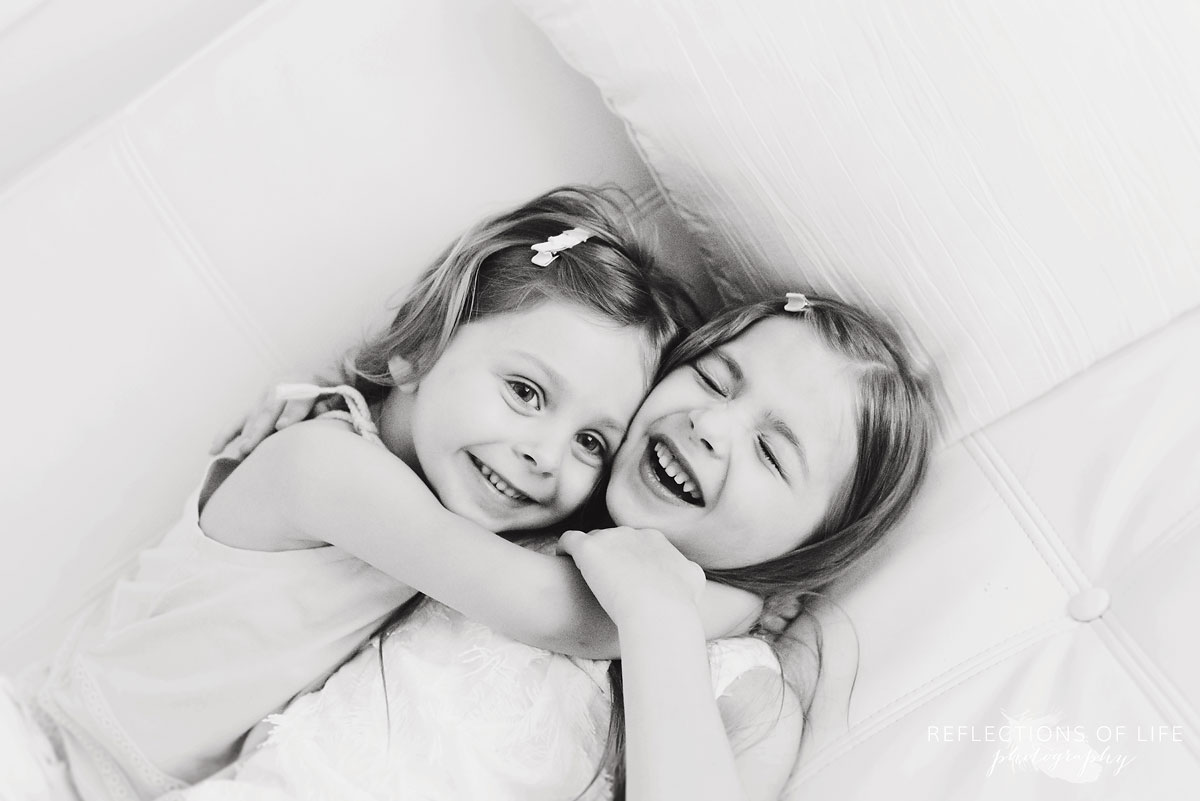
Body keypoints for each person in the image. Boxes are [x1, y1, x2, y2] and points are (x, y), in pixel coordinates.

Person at [1, 185, 707, 801]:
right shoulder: (326, 465)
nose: (545, 453)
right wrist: (725, 594)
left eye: (592, 442)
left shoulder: (455, 510)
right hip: (46, 758)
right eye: (525, 392)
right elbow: (561, 612)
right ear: (420, 349)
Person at [170, 291, 935, 800]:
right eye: (712, 379)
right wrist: (341, 409)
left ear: (815, 549)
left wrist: (663, 620)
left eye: (773, 453)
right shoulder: (530, 510)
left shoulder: (740, 681)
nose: (711, 424)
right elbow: (414, 457)